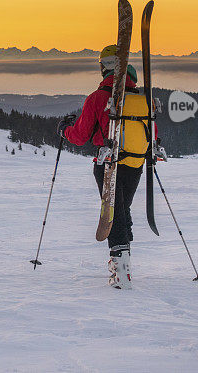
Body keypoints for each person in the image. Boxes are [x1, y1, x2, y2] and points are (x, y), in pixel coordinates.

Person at [57, 45, 153, 288]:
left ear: (104, 67)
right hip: (135, 163)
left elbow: (79, 136)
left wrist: (63, 130)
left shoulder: (99, 98)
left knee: (113, 214)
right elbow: (150, 134)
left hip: (109, 164)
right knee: (122, 211)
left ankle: (121, 270)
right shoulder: (140, 100)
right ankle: (124, 261)